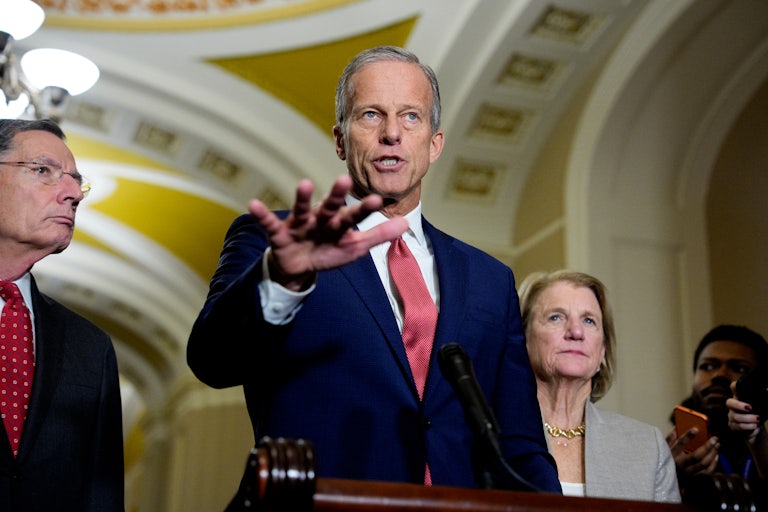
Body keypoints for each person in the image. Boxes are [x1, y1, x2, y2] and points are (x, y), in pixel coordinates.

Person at [187, 45, 561, 493]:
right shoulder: (279, 242)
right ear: (341, 139)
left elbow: (519, 441)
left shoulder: (490, 279)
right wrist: (281, 281)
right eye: (370, 115)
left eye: (410, 117)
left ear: (434, 143)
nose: (391, 134)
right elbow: (212, 361)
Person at [0, 119, 124, 510]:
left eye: (76, 181)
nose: (73, 194)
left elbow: (101, 495)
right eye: (42, 170)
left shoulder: (90, 346)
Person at [518, 269, 680, 502]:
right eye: (556, 317)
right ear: (523, 338)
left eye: (589, 320)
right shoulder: (491, 434)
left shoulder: (647, 446)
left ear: (603, 350)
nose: (575, 332)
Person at [667, 324, 768, 499]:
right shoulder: (665, 452)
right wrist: (668, 478)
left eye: (740, 368)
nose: (719, 375)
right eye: (707, 366)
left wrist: (758, 441)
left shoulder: (761, 447)